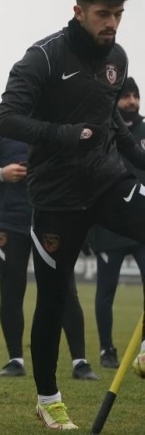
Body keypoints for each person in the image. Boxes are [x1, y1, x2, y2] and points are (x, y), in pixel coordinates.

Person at [0, 0, 144, 430]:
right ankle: (48, 399)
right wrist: (64, 135)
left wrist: (139, 156)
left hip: (105, 181)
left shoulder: (116, 58)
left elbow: (110, 122)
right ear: (78, 11)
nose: (112, 24)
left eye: (119, 14)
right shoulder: (40, 58)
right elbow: (8, 119)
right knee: (54, 301)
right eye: (104, 14)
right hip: (56, 196)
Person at [0, 119, 98, 380]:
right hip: (10, 222)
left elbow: (76, 171)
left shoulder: (56, 125)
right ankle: (15, 360)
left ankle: (80, 363)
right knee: (11, 291)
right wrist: (0, 174)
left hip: (51, 219)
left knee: (64, 289)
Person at [88, 77, 145, 369]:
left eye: (136, 96)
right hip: (109, 227)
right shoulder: (104, 129)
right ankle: (106, 350)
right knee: (105, 290)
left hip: (141, 224)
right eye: (126, 96)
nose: (132, 101)